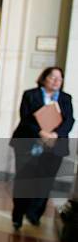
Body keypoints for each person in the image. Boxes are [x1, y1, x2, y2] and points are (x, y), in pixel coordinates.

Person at [11, 67, 74, 230]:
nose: (56, 81)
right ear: (44, 78)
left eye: (59, 79)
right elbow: (25, 118)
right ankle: (18, 214)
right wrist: (41, 132)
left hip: (54, 145)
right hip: (29, 142)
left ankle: (34, 214)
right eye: (53, 77)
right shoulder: (31, 95)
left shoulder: (66, 98)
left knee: (45, 180)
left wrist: (55, 134)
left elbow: (69, 121)